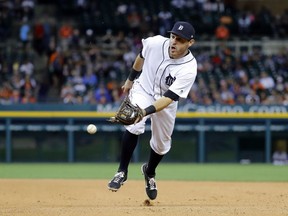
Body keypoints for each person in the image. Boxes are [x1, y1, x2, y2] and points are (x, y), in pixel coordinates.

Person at [107, 21, 197, 200]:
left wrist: (145, 112)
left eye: (180, 40)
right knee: (133, 124)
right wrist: (130, 79)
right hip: (144, 89)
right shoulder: (156, 43)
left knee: (162, 144)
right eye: (173, 37)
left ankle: (149, 172)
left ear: (190, 43)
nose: (174, 42)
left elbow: (169, 98)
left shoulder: (189, 67)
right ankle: (121, 171)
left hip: (166, 102)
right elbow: (141, 56)